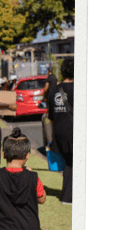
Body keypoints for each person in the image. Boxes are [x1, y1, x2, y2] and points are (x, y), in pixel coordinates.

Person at [47, 59, 74, 204]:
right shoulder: (79, 88)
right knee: (73, 163)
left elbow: (51, 117)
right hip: (73, 133)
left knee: (70, 163)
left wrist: (52, 138)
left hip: (59, 133)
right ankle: (68, 197)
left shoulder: (54, 91)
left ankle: (67, 196)